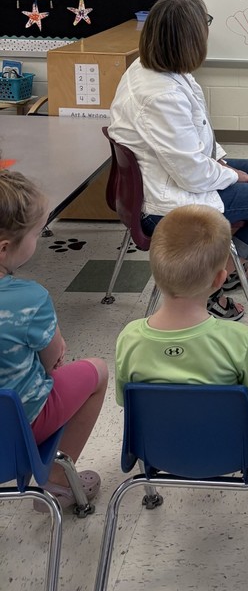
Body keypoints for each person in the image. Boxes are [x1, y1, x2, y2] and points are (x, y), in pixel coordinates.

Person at [108, 0, 248, 321]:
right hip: (168, 202)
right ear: (189, 39)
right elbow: (191, 174)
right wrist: (234, 175)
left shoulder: (152, 68)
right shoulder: (161, 94)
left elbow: (198, 132)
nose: (208, 30)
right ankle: (211, 281)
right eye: (205, 24)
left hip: (171, 176)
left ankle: (232, 265)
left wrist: (221, 162)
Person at [115, 204, 248, 472]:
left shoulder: (129, 337)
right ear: (220, 279)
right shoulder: (237, 338)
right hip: (234, 442)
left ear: (155, 275)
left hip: (160, 443)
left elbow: (125, 401)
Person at [0, 171, 108, 509]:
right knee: (98, 371)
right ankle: (57, 483)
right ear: (5, 247)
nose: (38, 240)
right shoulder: (29, 298)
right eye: (36, 233)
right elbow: (53, 360)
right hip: (16, 432)